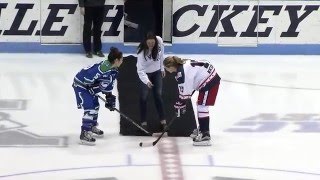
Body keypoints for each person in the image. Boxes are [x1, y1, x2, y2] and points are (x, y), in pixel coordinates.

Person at [163, 56, 221, 146]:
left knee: (202, 106)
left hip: (209, 81)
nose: (167, 70)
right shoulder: (183, 63)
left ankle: (205, 134)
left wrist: (180, 105)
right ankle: (202, 128)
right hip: (209, 76)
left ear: (170, 66)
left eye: (166, 68)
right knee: (201, 104)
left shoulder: (181, 73)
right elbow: (188, 89)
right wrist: (181, 103)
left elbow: (184, 94)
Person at [72, 47, 123, 145]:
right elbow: (89, 77)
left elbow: (105, 85)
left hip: (88, 85)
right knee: (90, 107)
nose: (122, 61)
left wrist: (109, 96)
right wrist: (107, 95)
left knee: (95, 105)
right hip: (81, 85)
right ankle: (85, 133)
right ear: (116, 60)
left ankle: (91, 126)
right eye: (121, 59)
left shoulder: (111, 68)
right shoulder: (105, 71)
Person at [136, 32, 166, 132]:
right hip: (145, 73)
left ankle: (163, 121)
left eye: (153, 43)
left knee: (158, 95)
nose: (151, 45)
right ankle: (143, 122)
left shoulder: (159, 41)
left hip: (157, 72)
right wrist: (147, 81)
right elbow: (140, 70)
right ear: (145, 42)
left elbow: (162, 56)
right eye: (149, 43)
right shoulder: (141, 52)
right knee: (144, 97)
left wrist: (162, 68)